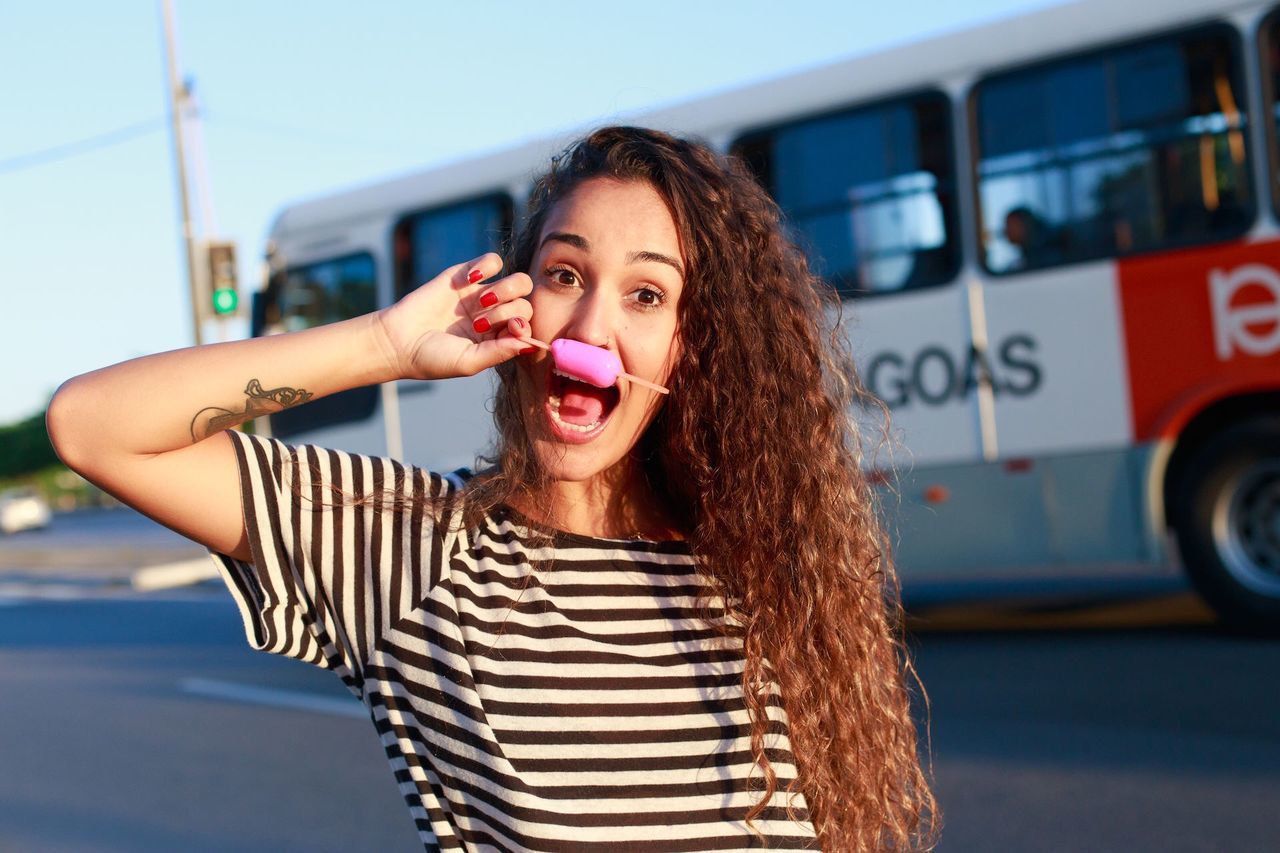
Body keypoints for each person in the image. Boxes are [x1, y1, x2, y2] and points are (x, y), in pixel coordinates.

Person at [47, 127, 939, 851]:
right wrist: (384, 347)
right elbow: (93, 425)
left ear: (693, 348)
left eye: (646, 296)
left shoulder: (749, 564)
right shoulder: (416, 551)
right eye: (564, 275)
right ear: (518, 306)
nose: (590, 326)